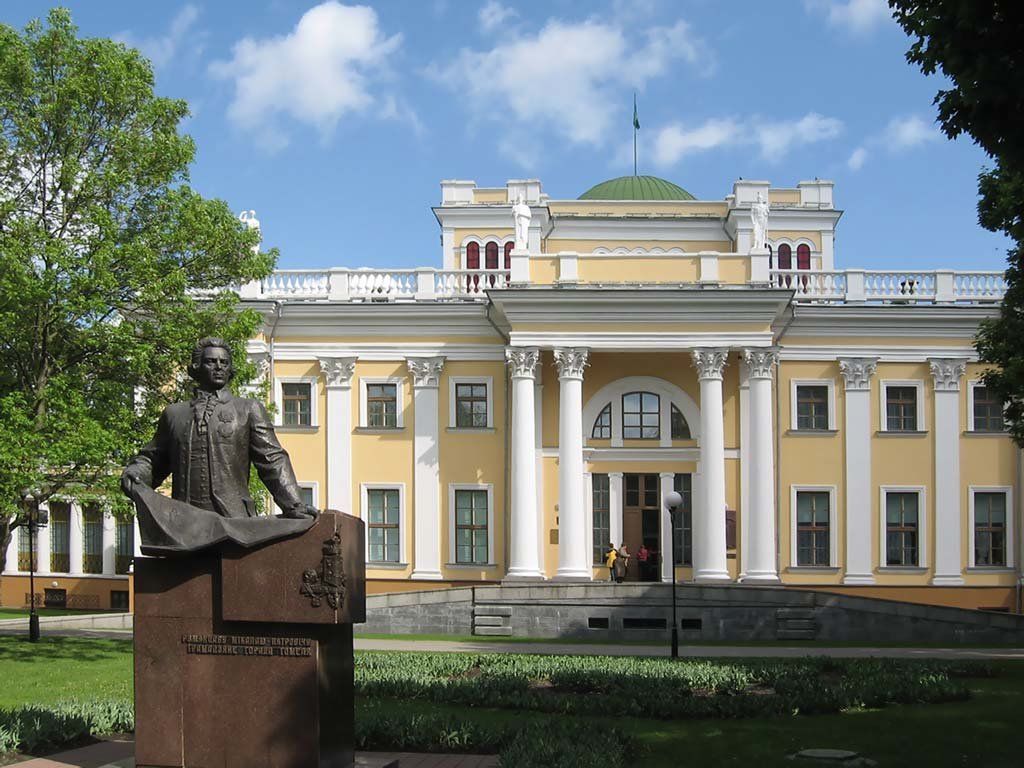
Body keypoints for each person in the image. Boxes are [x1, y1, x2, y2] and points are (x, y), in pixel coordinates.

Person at [122, 337, 317, 521]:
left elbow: (272, 458)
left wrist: (295, 504)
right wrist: (137, 472)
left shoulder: (248, 409)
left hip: (232, 517)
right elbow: (154, 459)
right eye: (211, 361)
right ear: (197, 367)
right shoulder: (174, 414)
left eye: (224, 362)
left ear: (230, 369)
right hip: (185, 520)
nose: (218, 367)